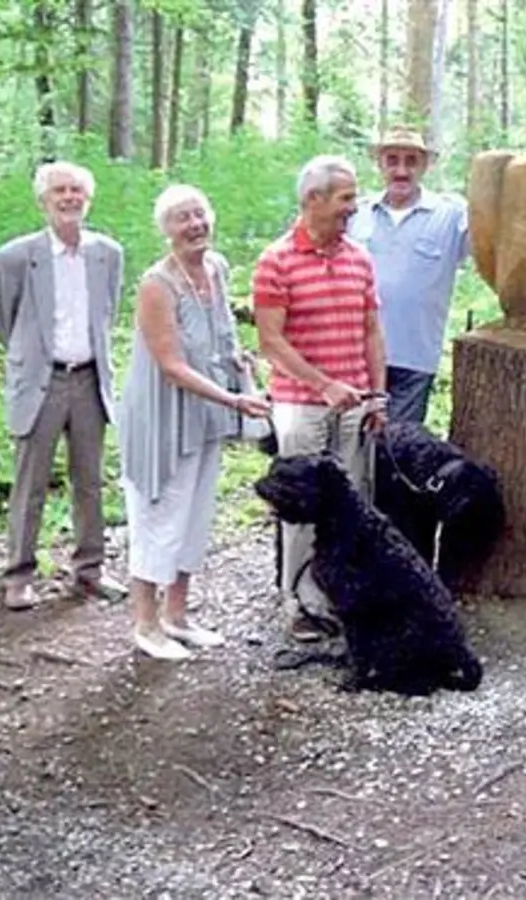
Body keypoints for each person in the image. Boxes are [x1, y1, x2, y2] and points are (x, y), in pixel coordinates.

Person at [118, 185, 271, 659]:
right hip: (162, 416)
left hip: (208, 412)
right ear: (166, 229)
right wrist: (232, 398)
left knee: (195, 515)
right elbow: (171, 364)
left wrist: (245, 369)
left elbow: (219, 336)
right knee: (158, 514)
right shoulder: (156, 284)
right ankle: (145, 624)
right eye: (182, 218)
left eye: (200, 214)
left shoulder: (218, 268)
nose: (194, 225)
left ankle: (177, 616)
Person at [253, 155, 389, 643]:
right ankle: (300, 603)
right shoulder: (276, 260)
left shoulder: (359, 257)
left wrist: (377, 396)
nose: (354, 207)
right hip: (301, 405)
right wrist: (323, 384)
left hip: (355, 406)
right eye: (346, 197)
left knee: (352, 504)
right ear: (312, 199)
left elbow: (371, 330)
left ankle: (341, 596)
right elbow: (271, 342)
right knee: (304, 507)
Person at [0, 161, 125, 611]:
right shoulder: (15, 257)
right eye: (59, 191)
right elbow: (3, 321)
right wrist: (33, 359)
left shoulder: (108, 253)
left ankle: (89, 572)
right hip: (42, 381)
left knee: (89, 481)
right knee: (30, 482)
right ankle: (18, 575)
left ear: (88, 198)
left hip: (89, 379)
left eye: (76, 191)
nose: (68, 198)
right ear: (43, 200)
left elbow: (109, 313)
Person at [346, 125, 469, 425]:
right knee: (350, 448)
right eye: (392, 160)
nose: (401, 170)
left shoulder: (451, 214)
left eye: (411, 161)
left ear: (425, 165)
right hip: (354, 354)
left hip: (415, 356)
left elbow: (494, 250)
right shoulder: (355, 214)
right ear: (380, 164)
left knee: (398, 449)